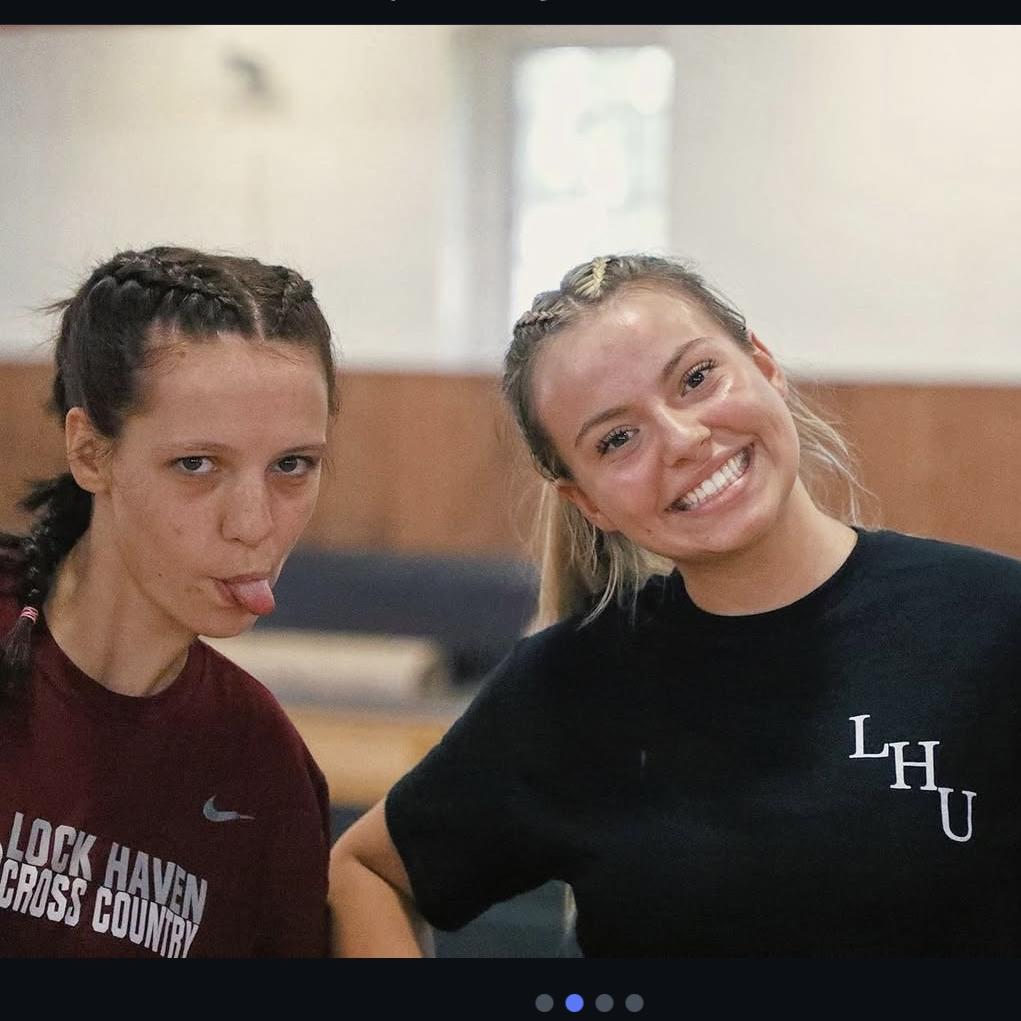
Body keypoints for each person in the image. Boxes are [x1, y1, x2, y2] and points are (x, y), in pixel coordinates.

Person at [328, 252, 1021, 958]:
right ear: (587, 500)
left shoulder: (993, 621)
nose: (684, 440)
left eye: (695, 378)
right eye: (617, 439)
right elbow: (366, 871)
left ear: (764, 366)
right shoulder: (573, 687)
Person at [0, 246, 338, 957]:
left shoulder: (264, 770)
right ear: (90, 453)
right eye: (196, 463)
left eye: (292, 465)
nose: (253, 523)